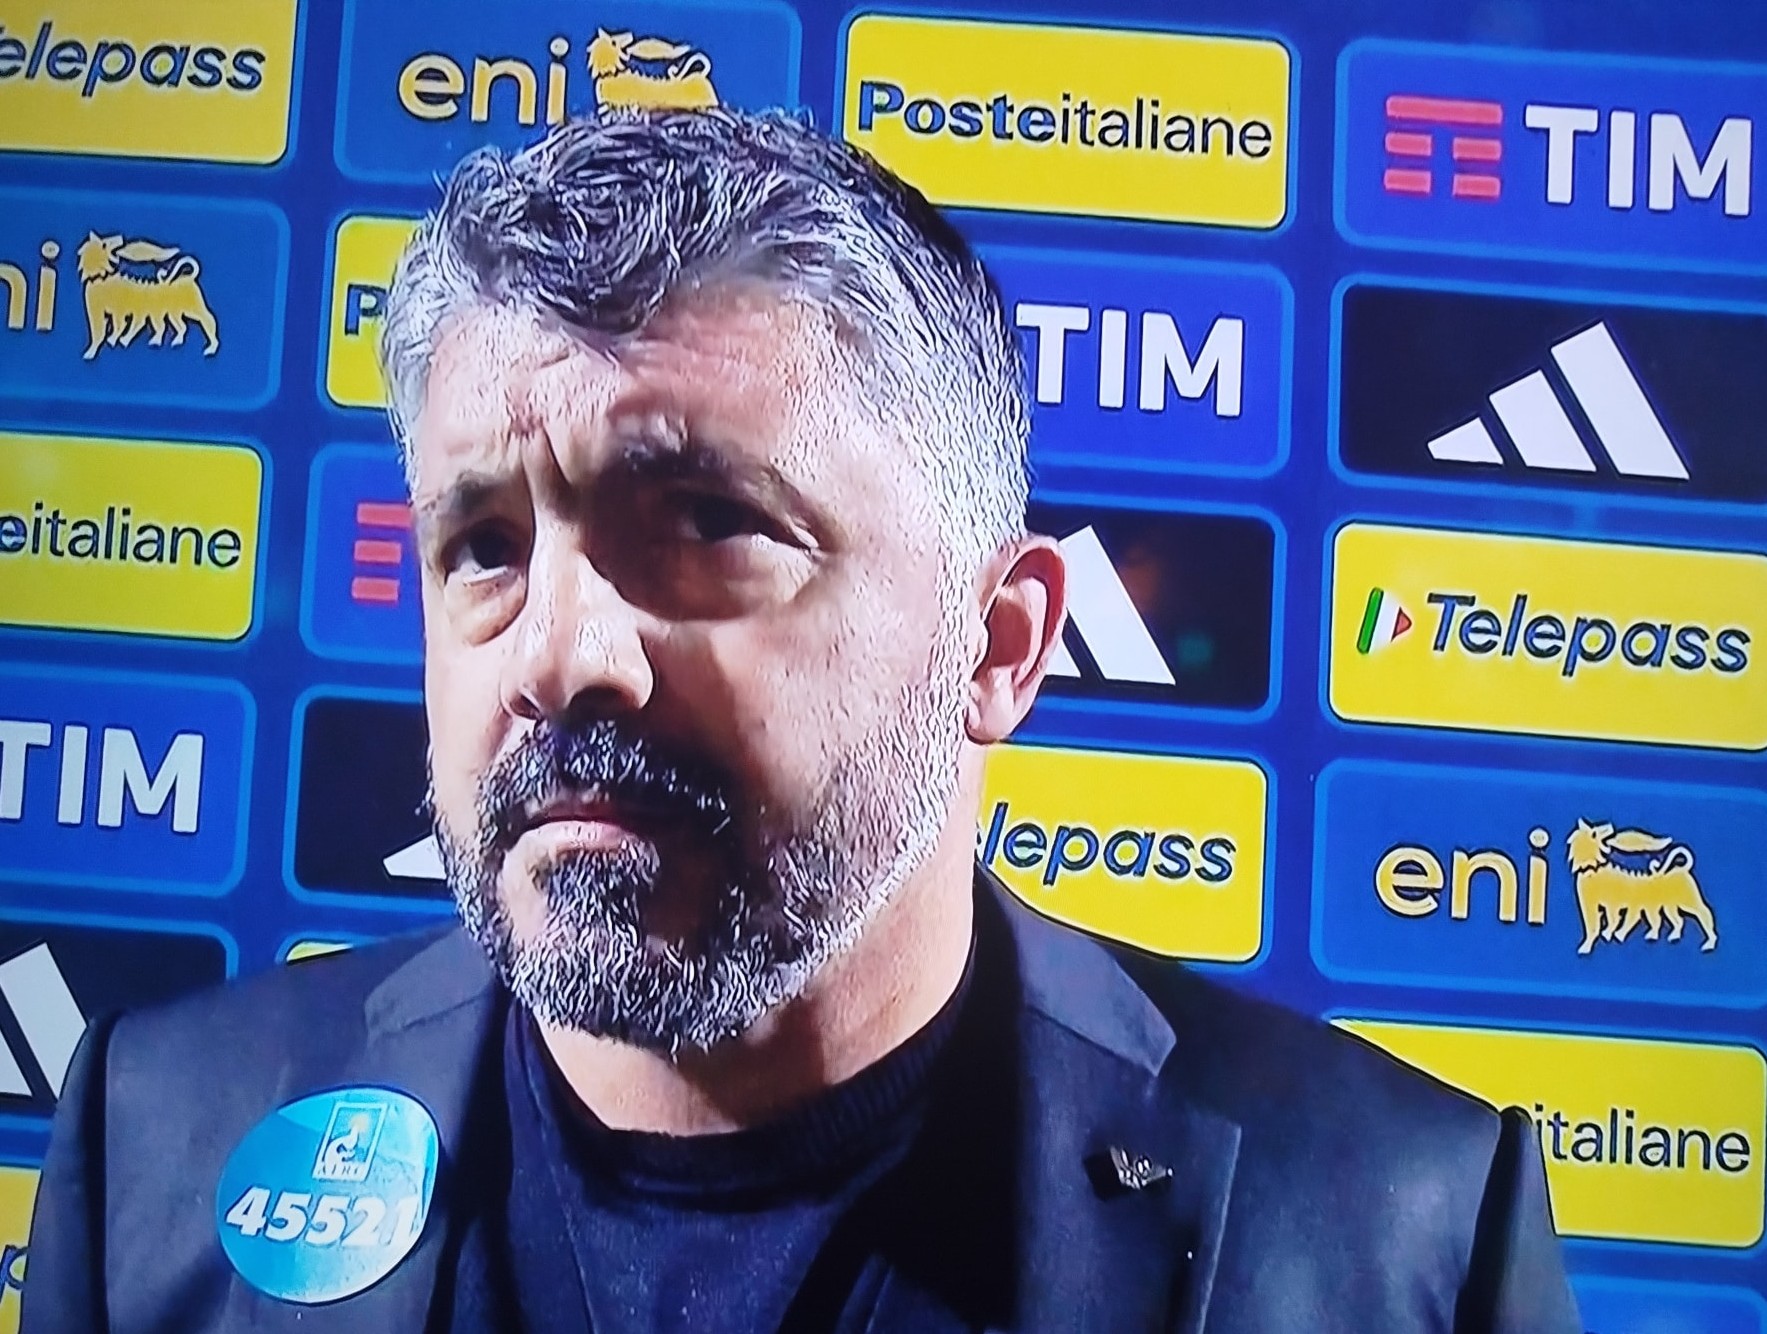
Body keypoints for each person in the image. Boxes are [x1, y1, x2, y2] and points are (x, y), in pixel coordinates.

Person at [23, 108, 1582, 1333]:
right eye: (485, 545)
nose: (561, 656)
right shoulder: (164, 1141)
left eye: (710, 522)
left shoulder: (1400, 1235)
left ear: (998, 642)